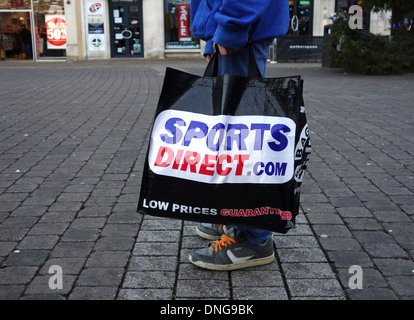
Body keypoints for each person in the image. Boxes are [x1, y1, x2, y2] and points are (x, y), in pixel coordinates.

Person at [188, 0, 289, 271]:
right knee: (230, 136)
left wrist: (231, 26)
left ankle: (254, 238)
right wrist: (213, 36)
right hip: (231, 26)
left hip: (240, 26)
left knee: (242, 139)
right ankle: (237, 218)